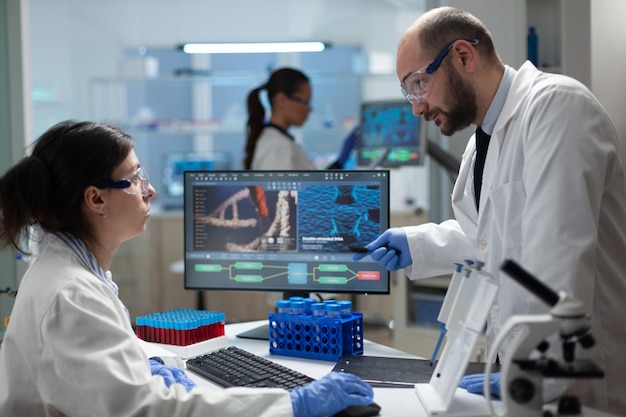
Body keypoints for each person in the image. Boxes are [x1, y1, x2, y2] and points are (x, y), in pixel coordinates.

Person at [354, 7, 626, 415]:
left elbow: (557, 258)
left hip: (575, 379)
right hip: (524, 369)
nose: (417, 108)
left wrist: (532, 372)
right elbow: (494, 236)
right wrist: (419, 242)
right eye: (410, 91)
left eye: (419, 83)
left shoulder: (556, 108)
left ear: (463, 56)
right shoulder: (483, 140)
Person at [0, 120, 374, 416]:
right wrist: (291, 405)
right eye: (135, 179)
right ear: (96, 198)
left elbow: (107, 350)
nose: (150, 191)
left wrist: (154, 359)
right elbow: (151, 411)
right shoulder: (72, 294)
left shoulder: (69, 270)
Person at [244, 67, 356, 170]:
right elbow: (277, 191)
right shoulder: (278, 147)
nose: (309, 109)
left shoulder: (279, 141)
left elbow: (313, 185)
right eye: (305, 102)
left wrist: (340, 163)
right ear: (281, 100)